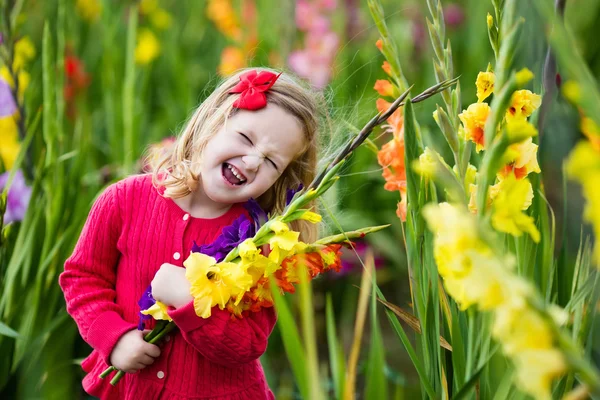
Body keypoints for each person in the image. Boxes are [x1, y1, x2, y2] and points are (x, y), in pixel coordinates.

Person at [59, 68, 323, 399]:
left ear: (281, 178)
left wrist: (190, 303)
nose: (254, 161)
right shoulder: (123, 201)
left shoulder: (260, 247)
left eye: (272, 162)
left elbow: (247, 343)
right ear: (212, 124)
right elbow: (82, 278)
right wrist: (114, 338)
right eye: (245, 138)